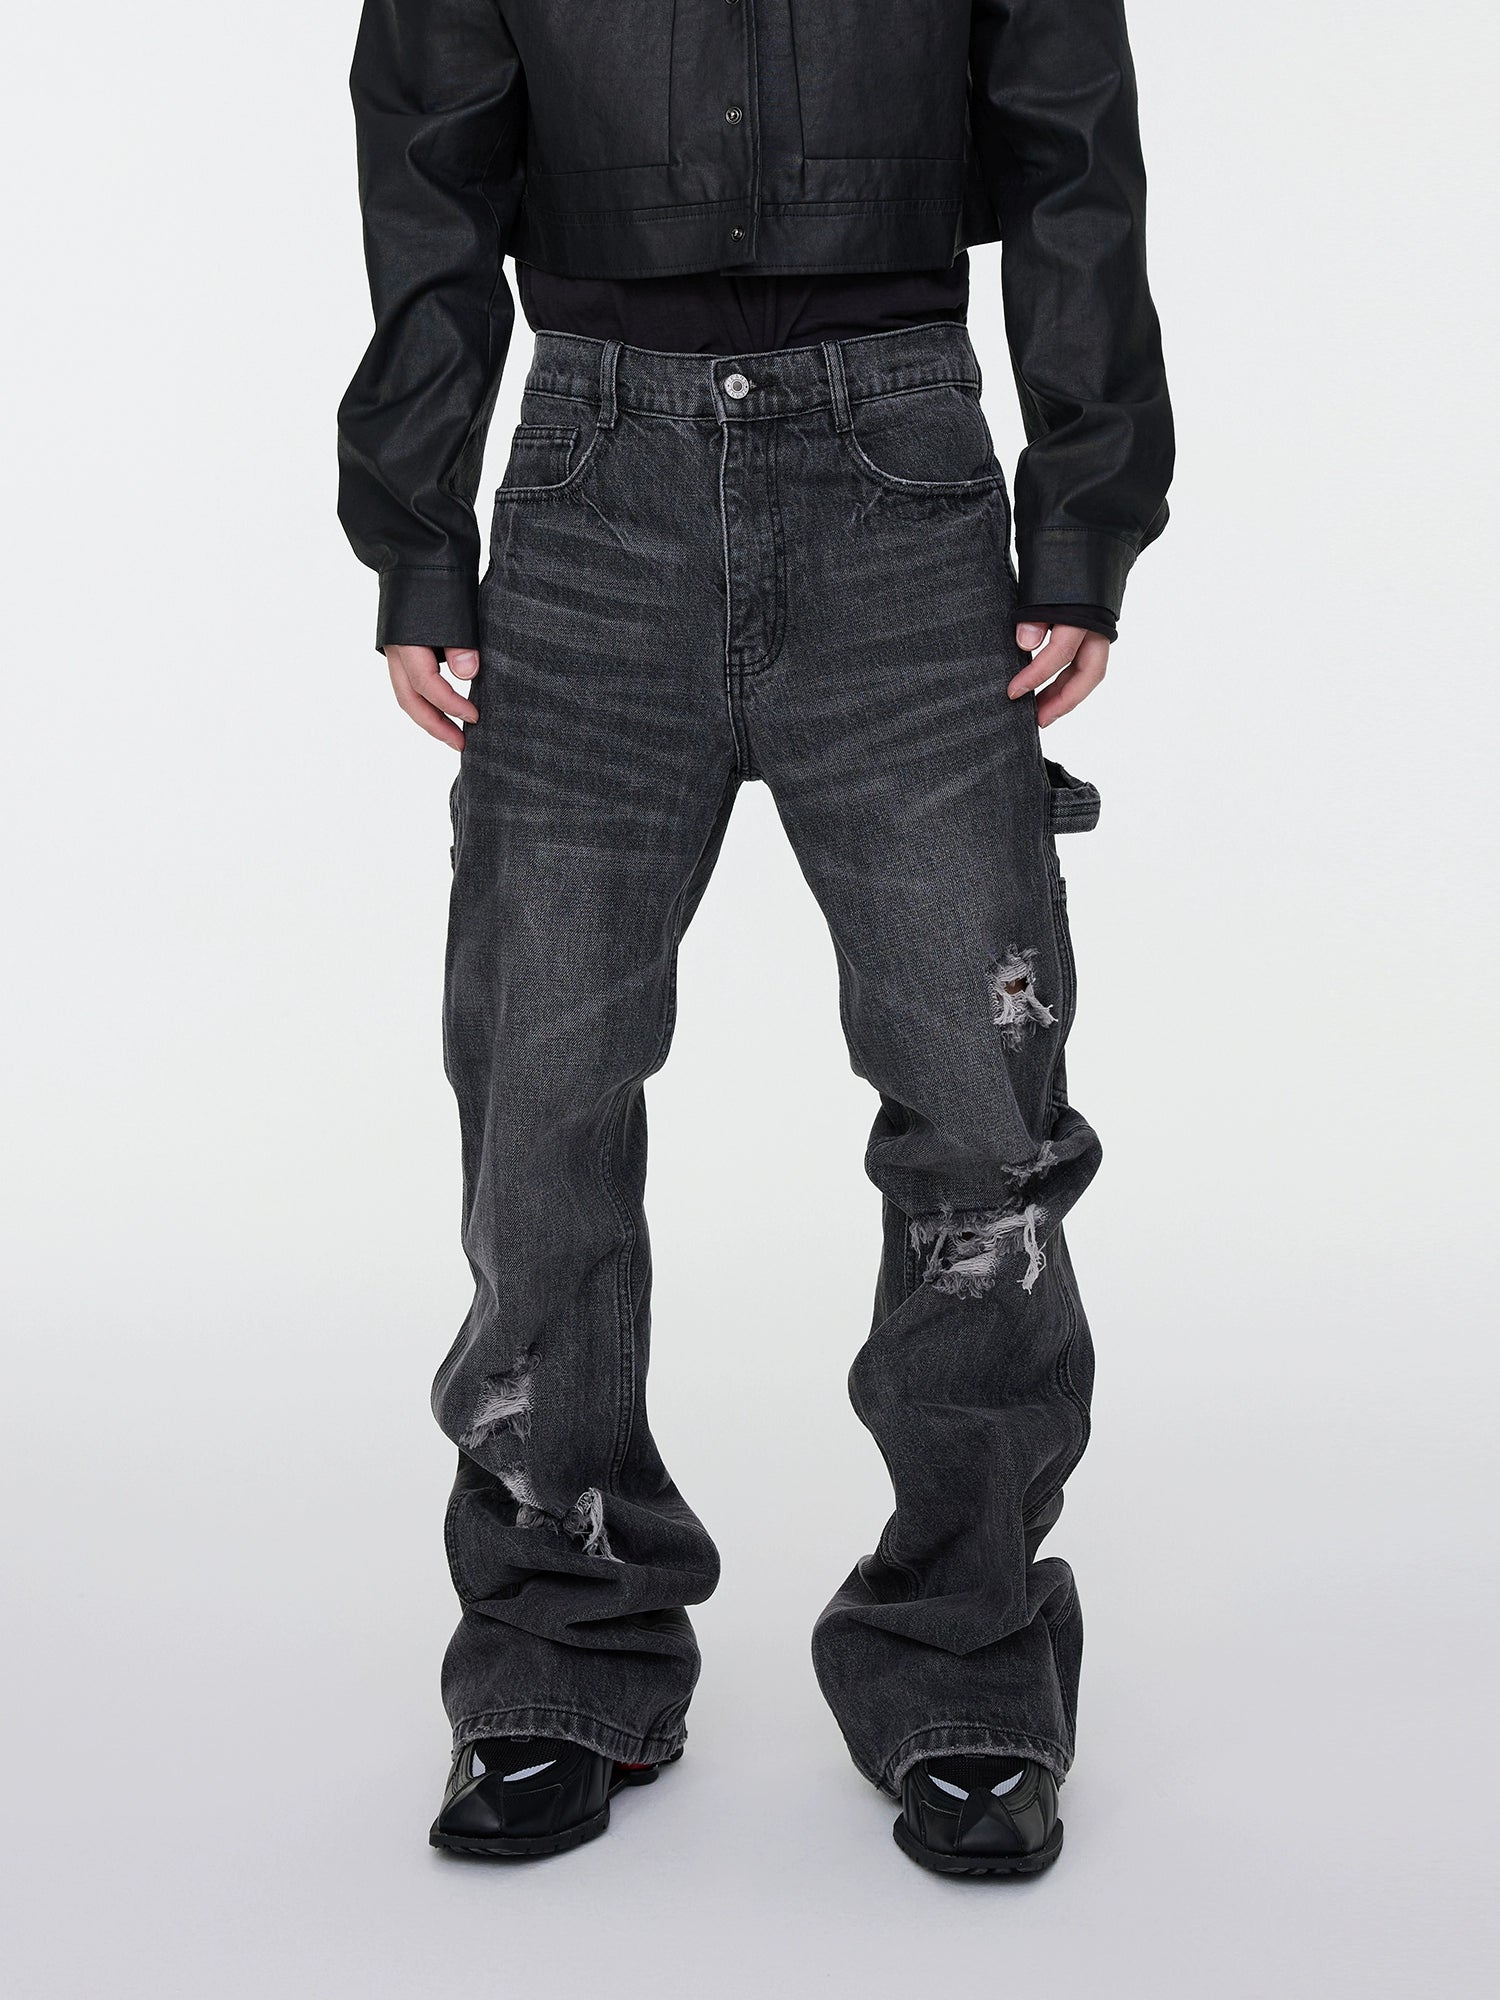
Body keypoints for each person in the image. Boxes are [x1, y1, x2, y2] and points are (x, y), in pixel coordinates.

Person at [337, 0, 1172, 1876]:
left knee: (982, 1109)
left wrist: (1084, 517)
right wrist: (418, 534)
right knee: (540, 1099)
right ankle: (559, 1643)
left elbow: (1073, 160)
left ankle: (965, 1655)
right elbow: (428, 170)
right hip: (590, 479)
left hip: (904, 472)